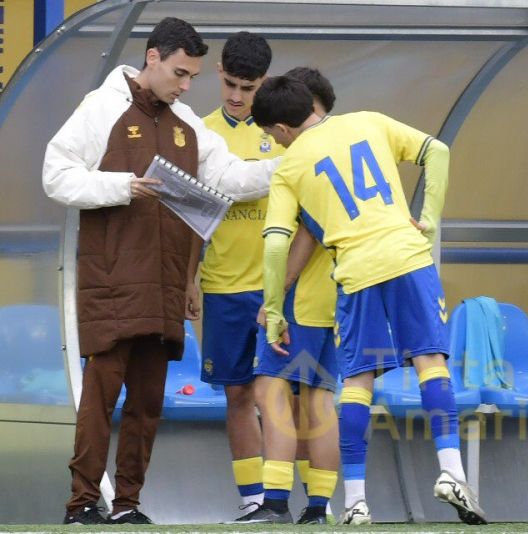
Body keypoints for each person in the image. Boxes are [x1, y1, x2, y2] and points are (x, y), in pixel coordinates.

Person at [42, 17, 279, 525]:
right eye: (180, 73)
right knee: (100, 394)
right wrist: (121, 185)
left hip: (165, 284)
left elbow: (231, 178)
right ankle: (81, 503)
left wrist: (290, 167)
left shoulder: (186, 122)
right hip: (111, 281)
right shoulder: (100, 107)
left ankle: (128, 505)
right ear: (152, 58)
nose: (186, 86)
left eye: (193, 76)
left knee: (148, 403)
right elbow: (55, 174)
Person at [251, 76, 487, 525]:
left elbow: (277, 243)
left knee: (358, 381)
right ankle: (451, 472)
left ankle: (356, 502)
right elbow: (437, 151)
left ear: (281, 128)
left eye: (270, 134)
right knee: (430, 362)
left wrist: (275, 309)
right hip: (407, 256)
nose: (275, 141)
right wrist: (429, 220)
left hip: (355, 272)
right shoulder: (369, 121)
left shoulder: (288, 166)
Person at [196, 31, 284, 523]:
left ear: (263, 83)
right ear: (219, 73)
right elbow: (188, 216)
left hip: (276, 288)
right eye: (230, 84)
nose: (236, 95)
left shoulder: (282, 130)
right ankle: (253, 498)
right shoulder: (199, 132)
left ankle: (296, 499)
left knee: (282, 393)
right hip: (223, 286)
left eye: (247, 88)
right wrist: (188, 280)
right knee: (238, 393)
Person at [250, 67, 340, 525]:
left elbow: (303, 228)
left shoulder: (303, 157)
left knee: (271, 390)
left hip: (302, 296)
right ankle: (319, 508)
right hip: (338, 296)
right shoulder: (348, 144)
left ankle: (275, 503)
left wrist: (276, 296)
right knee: (319, 399)